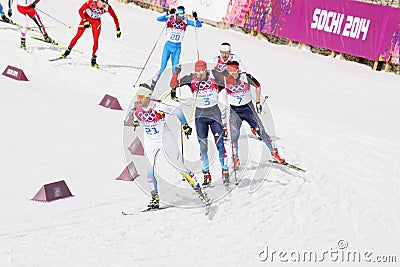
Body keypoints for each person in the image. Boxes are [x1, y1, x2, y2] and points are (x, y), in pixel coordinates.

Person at [131, 83, 211, 209]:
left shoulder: (158, 106)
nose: (138, 99)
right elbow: (134, 115)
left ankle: (200, 192)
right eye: (137, 96)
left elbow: (178, 112)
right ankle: (154, 199)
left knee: (181, 168)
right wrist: (135, 122)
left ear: (148, 97)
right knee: (149, 172)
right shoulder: (136, 107)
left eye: (141, 96)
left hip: (165, 140)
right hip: (150, 142)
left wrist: (185, 125)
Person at [170, 60, 229, 186]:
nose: (198, 76)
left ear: (205, 71)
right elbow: (173, 84)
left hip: (214, 115)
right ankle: (206, 174)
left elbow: (232, 82)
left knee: (220, 146)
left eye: (200, 73)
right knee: (203, 148)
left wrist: (226, 74)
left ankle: (225, 171)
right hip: (200, 117)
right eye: (196, 73)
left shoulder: (214, 75)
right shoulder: (191, 78)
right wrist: (176, 73)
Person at [222, 61, 285, 170]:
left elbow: (258, 85)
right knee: (234, 135)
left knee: (261, 130)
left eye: (234, 72)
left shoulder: (245, 77)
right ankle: (235, 158)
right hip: (234, 111)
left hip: (248, 109)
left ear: (238, 71)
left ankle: (274, 152)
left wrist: (258, 101)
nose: (232, 75)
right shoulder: (224, 79)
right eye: (230, 73)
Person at [151, 5, 202, 92]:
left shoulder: (185, 21)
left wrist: (196, 18)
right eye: (179, 16)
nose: (180, 18)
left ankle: (173, 90)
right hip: (168, 46)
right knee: (163, 67)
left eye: (182, 16)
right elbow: (158, 19)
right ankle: (153, 83)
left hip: (177, 48)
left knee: (174, 70)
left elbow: (198, 25)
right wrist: (167, 13)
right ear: (176, 14)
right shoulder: (170, 18)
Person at [60, 0, 121, 68]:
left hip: (96, 22)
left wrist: (118, 28)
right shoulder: (91, 2)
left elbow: (114, 17)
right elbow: (80, 10)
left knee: (96, 40)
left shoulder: (107, 7)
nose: (104, 4)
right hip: (87, 18)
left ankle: (93, 58)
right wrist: (85, 20)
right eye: (103, 2)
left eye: (106, 2)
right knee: (78, 35)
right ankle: (67, 51)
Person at [212, 42, 246, 139]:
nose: (225, 55)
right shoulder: (215, 60)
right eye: (223, 53)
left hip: (233, 85)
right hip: (221, 85)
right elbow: (209, 72)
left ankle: (254, 126)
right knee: (222, 106)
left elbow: (243, 71)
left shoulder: (234, 59)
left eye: (227, 53)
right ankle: (224, 127)